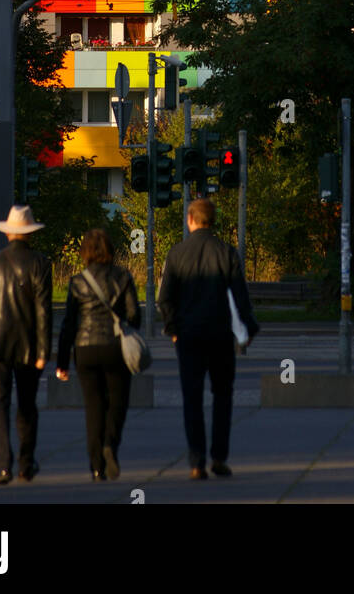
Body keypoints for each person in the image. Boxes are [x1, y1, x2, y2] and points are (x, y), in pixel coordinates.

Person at [158, 197, 258, 480]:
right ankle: (219, 457)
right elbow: (240, 296)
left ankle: (196, 460)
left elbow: (165, 298)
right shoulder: (227, 252)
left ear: (190, 220)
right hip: (220, 334)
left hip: (188, 336)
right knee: (223, 395)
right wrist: (247, 329)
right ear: (212, 221)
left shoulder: (176, 254)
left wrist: (172, 328)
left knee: (192, 397)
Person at [0, 204, 52, 486]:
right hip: (28, 348)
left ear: (8, 233)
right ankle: (26, 464)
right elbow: (44, 311)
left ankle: (2, 467)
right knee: (27, 405)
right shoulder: (41, 263)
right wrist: (44, 351)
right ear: (30, 234)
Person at [55, 227, 141, 481]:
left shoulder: (77, 282)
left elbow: (69, 324)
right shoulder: (123, 277)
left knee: (93, 406)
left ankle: (95, 466)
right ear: (111, 251)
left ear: (85, 253)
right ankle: (110, 444)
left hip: (85, 349)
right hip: (115, 348)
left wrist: (62, 362)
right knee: (117, 401)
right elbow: (134, 315)